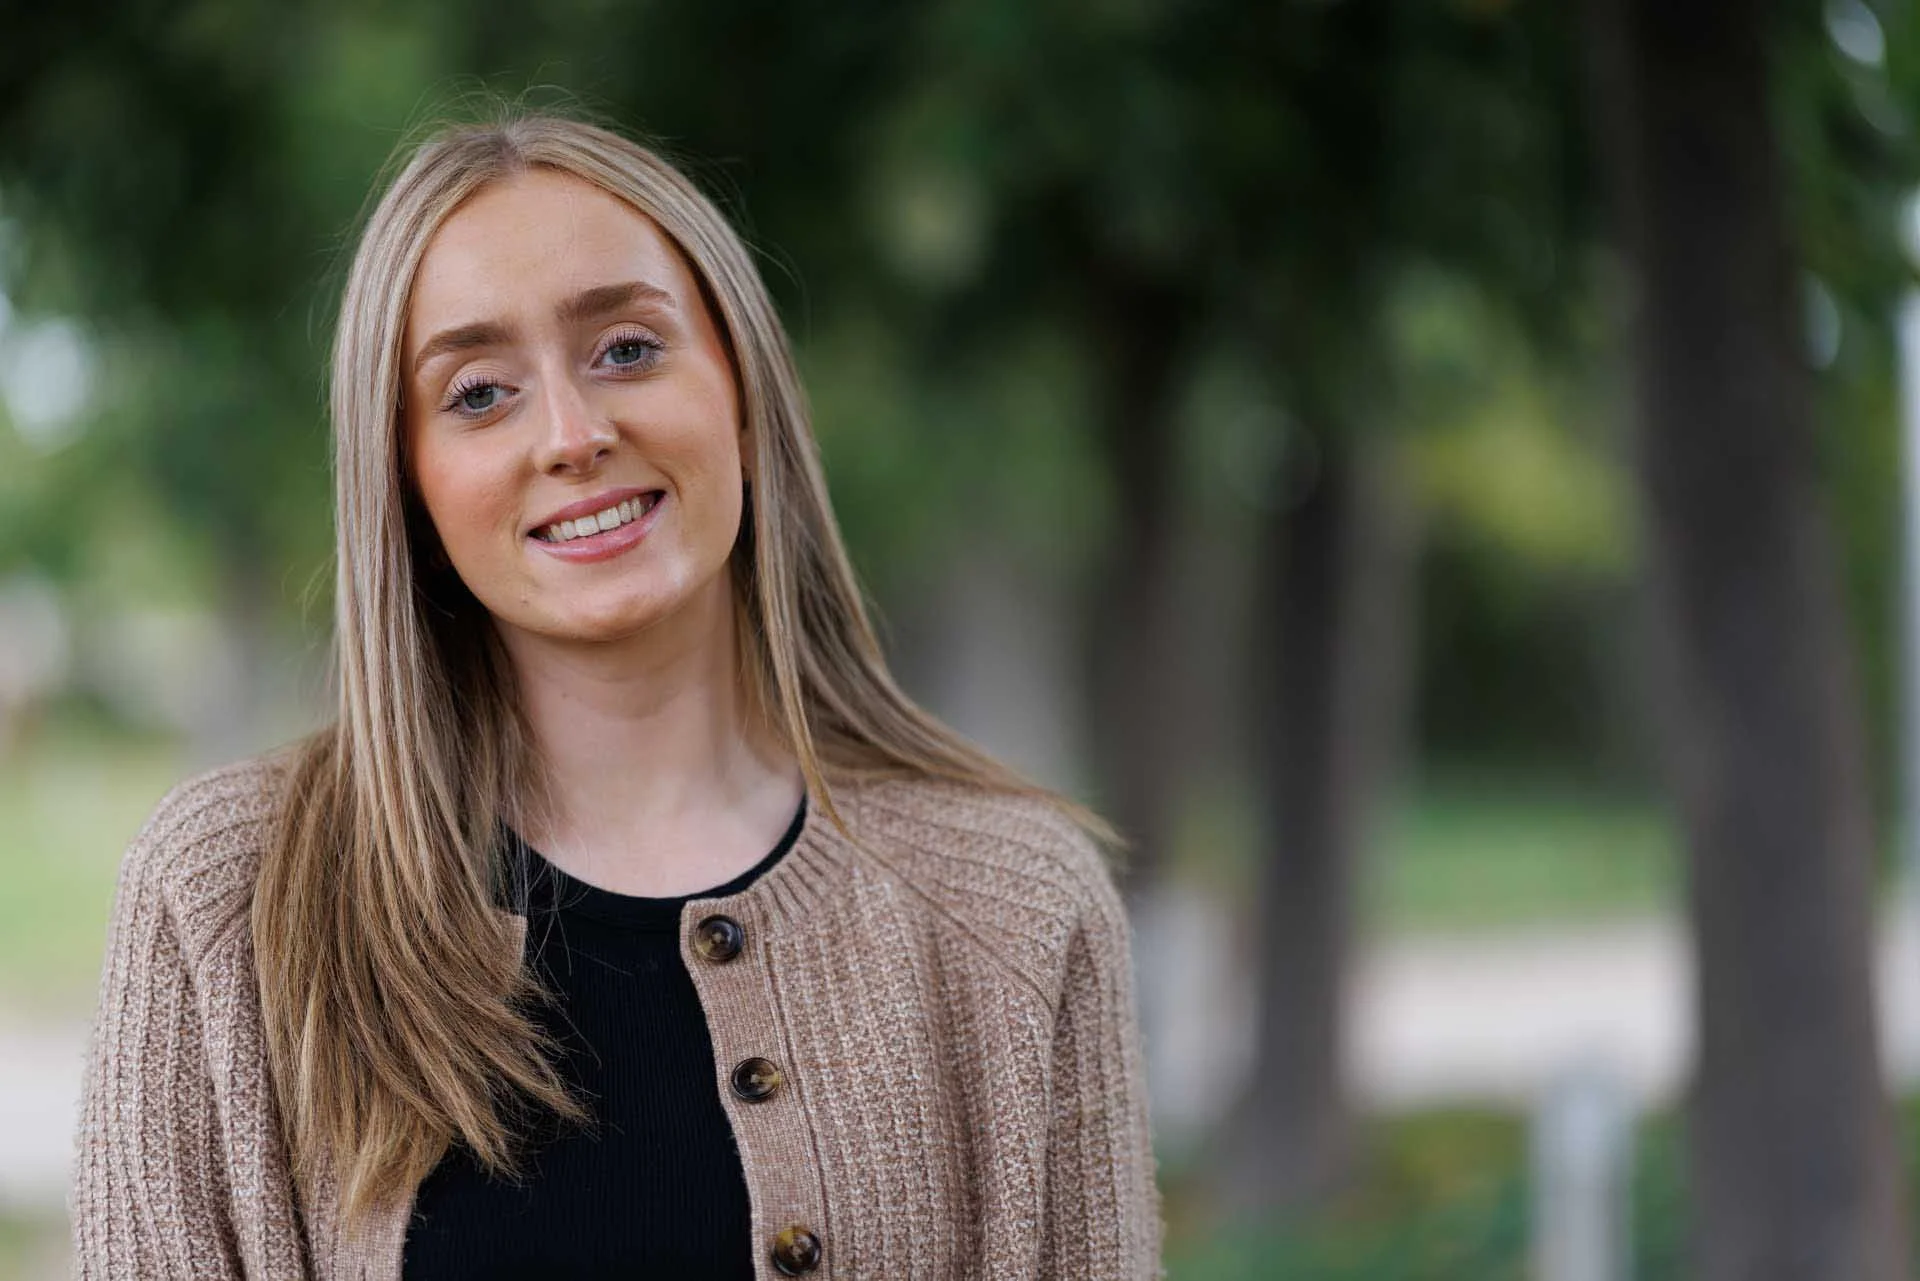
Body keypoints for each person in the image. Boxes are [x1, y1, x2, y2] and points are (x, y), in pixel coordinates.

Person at [68, 109, 1162, 1279]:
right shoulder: (228, 904)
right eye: (480, 393)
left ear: (740, 389)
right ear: (409, 482)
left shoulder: (1015, 909)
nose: (574, 435)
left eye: (628, 349)